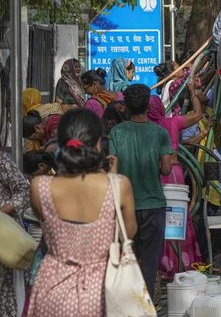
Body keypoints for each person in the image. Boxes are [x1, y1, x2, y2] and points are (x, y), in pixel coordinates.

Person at [27, 108, 138, 317]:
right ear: (98, 144)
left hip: (51, 289)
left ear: (59, 145)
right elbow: (128, 233)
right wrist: (111, 177)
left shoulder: (38, 186)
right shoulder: (119, 186)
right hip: (99, 291)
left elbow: (45, 218)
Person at [108, 84, 173, 297]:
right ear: (148, 106)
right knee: (150, 263)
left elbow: (113, 173)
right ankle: (146, 306)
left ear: (125, 106)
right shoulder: (160, 133)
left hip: (125, 207)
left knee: (126, 260)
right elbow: (166, 169)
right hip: (154, 204)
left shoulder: (116, 133)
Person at [148, 85, 204, 280]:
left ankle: (163, 265)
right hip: (175, 174)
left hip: (155, 175)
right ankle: (182, 262)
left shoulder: (146, 128)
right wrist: (193, 92)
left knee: (159, 219)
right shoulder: (172, 123)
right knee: (178, 217)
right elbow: (198, 115)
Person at [0, 151, 30, 316]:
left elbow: (22, 189)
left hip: (4, 235)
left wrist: (2, 213)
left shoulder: (1, 160)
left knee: (8, 288)